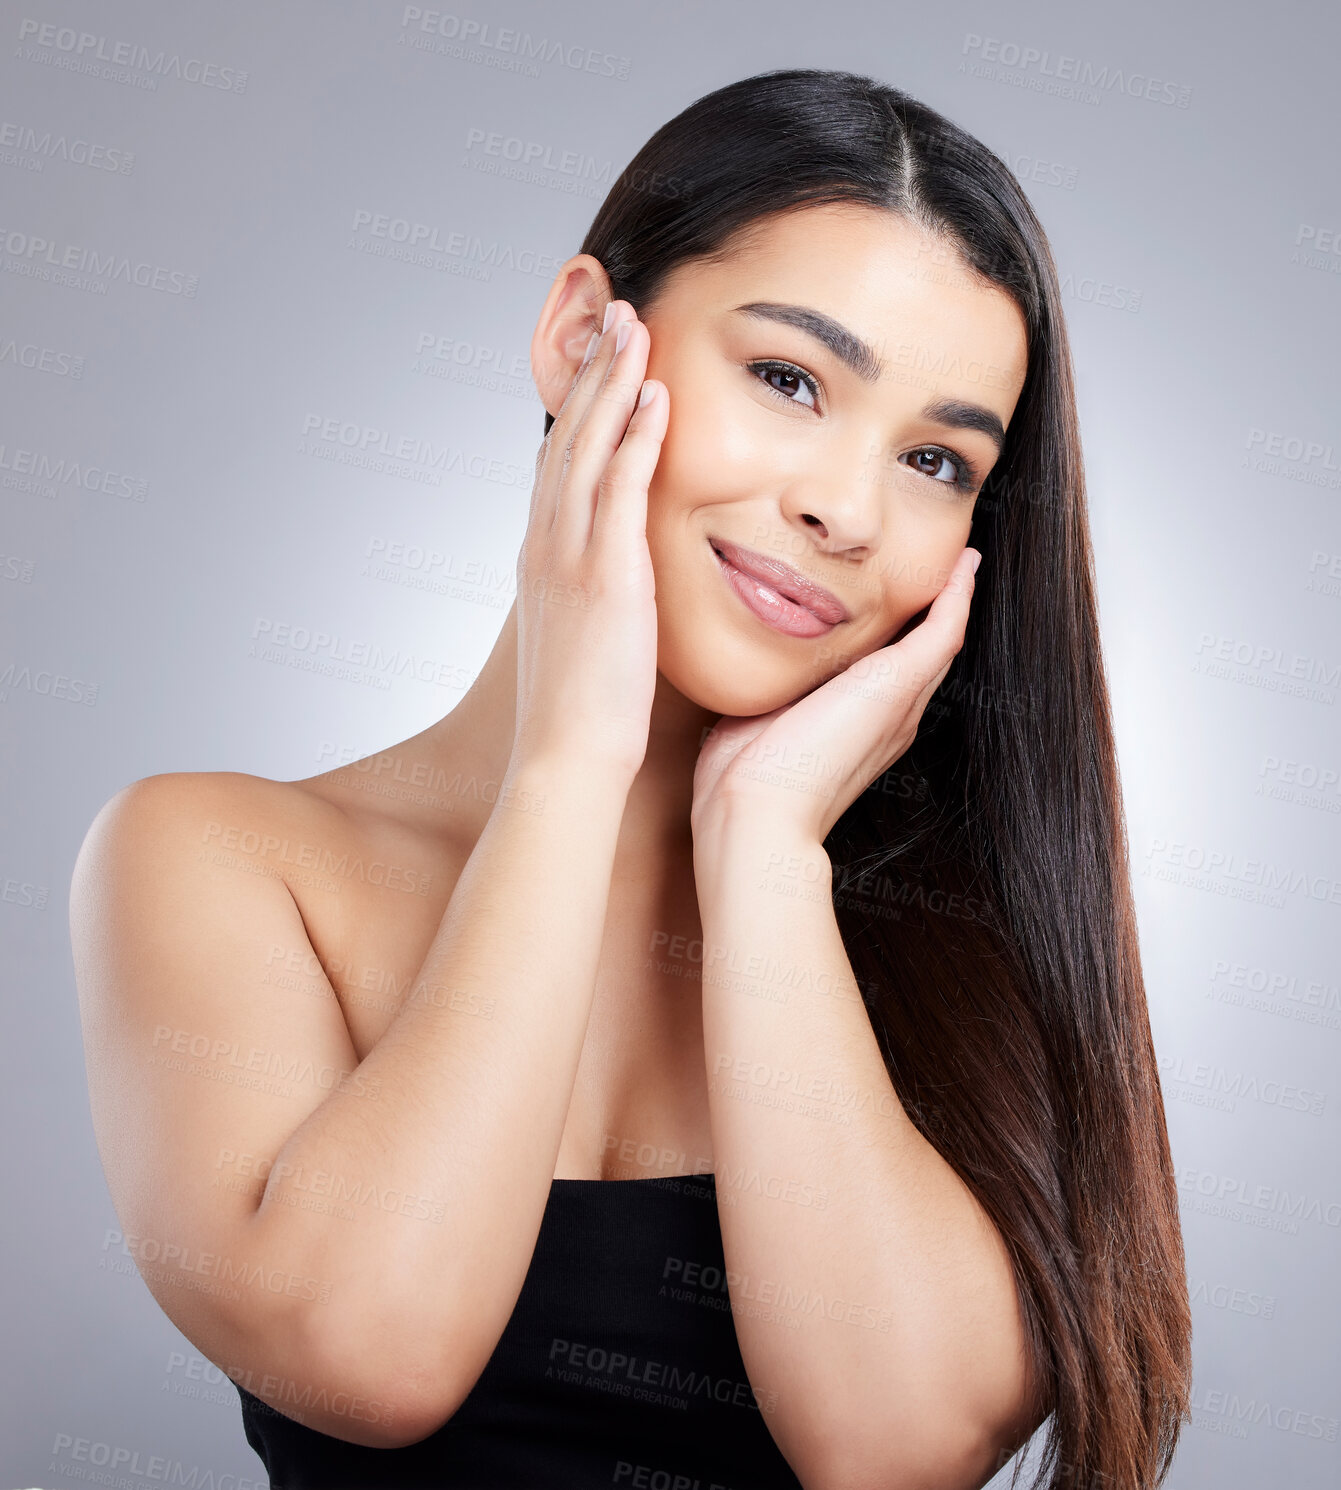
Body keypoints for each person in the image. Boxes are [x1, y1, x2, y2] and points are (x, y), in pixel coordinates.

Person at [70, 68, 1192, 1490]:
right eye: (787, 378)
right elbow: (366, 1353)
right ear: (576, 336)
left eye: (933, 458)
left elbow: (889, 1449)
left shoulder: (978, 937)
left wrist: (768, 850)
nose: (843, 510)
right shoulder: (220, 860)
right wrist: (567, 762)